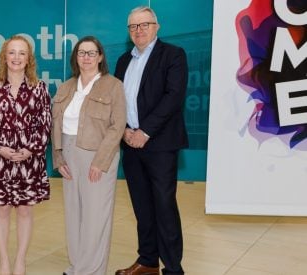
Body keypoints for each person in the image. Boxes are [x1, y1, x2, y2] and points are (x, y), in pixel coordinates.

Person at [113, 6, 189, 275]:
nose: (138, 30)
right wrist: (123, 130)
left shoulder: (173, 55)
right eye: (133, 26)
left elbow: (173, 97)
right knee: (142, 206)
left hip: (159, 143)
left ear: (157, 26)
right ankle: (147, 261)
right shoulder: (123, 60)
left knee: (164, 206)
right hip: (130, 143)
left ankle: (172, 268)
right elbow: (118, 101)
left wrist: (144, 132)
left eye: (144, 24)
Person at [51, 36, 126, 275]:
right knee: (74, 214)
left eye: (91, 53)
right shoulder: (66, 86)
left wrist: (100, 162)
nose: (86, 57)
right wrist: (58, 157)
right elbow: (55, 124)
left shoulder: (113, 85)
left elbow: (118, 126)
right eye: (81, 53)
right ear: (76, 57)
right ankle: (77, 266)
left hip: (97, 156)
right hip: (69, 155)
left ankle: (91, 271)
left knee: (95, 217)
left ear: (100, 57)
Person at [0, 35, 51, 275]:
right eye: (12, 52)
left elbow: (45, 124)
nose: (17, 57)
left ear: (29, 58)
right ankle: (4, 261)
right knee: (1, 209)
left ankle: (20, 260)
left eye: (22, 53)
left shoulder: (39, 88)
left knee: (24, 209)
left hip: (29, 160)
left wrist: (30, 149)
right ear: (4, 57)